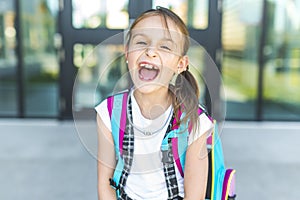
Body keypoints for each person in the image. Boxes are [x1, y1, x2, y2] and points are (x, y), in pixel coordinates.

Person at [95, 7, 214, 200]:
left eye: (165, 47)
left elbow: (195, 196)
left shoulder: (195, 121)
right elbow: (105, 183)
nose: (150, 52)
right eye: (141, 42)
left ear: (181, 64)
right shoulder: (108, 113)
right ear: (127, 53)